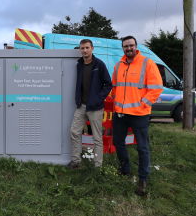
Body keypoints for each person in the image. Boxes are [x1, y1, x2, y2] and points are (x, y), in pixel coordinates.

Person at [111, 36, 163, 196]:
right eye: (126, 46)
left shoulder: (147, 63)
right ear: (123, 48)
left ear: (136, 46)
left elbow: (156, 87)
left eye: (131, 45)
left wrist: (143, 103)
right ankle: (125, 169)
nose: (129, 48)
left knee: (142, 147)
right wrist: (115, 100)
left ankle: (143, 179)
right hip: (120, 113)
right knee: (118, 142)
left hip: (139, 114)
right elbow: (114, 86)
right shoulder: (118, 65)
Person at [66, 39, 112, 169]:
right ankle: (76, 162)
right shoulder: (79, 64)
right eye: (82, 48)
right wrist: (78, 100)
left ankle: (98, 167)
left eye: (87, 47)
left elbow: (108, 84)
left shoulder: (99, 64)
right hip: (82, 106)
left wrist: (99, 98)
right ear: (80, 50)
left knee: (97, 138)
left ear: (92, 48)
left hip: (95, 107)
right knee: (74, 132)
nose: (84, 50)